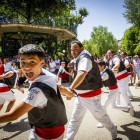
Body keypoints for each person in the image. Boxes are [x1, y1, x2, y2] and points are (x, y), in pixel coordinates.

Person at [0, 44, 74, 140]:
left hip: (46, 133)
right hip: (55, 128)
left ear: (42, 62)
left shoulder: (37, 90)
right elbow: (58, 87)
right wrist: (70, 94)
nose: (26, 67)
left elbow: (14, 115)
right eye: (23, 62)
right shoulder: (48, 75)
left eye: (32, 62)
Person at [64, 41, 117, 140]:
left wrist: (71, 89)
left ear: (81, 48)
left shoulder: (85, 58)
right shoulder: (79, 58)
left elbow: (82, 73)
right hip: (81, 96)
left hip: (91, 96)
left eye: (75, 48)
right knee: (75, 118)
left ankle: (113, 128)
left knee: (100, 117)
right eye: (71, 49)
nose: (73, 51)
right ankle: (69, 138)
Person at [97, 60, 131, 128]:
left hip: (114, 90)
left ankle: (104, 122)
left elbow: (100, 80)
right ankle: (127, 108)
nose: (98, 69)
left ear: (103, 66)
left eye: (99, 67)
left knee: (103, 106)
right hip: (114, 90)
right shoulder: (107, 70)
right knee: (114, 106)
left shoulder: (106, 73)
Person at [107, 49, 134, 117]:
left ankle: (131, 108)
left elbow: (117, 64)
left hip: (123, 78)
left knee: (123, 94)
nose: (109, 55)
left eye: (110, 54)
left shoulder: (116, 58)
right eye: (108, 54)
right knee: (117, 92)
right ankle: (118, 104)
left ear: (113, 54)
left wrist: (110, 71)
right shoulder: (111, 60)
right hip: (118, 79)